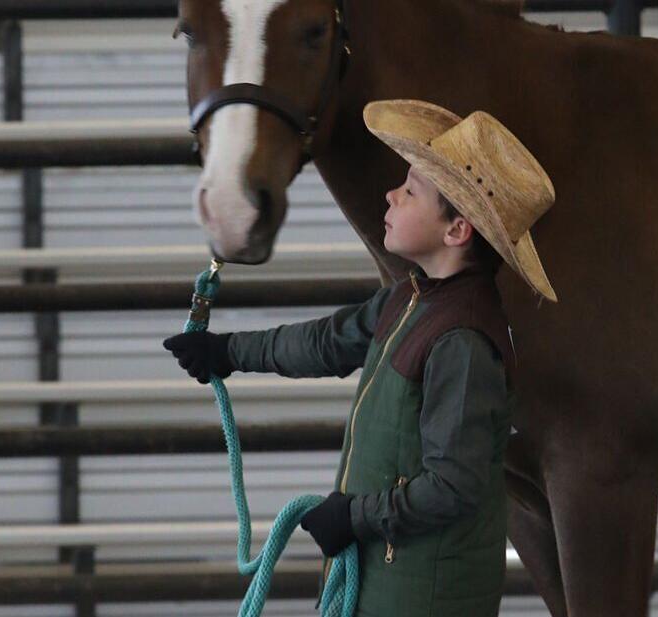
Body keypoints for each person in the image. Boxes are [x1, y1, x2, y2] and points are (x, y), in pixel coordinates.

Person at [163, 99, 557, 617]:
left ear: (456, 230)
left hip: (423, 596)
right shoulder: (411, 298)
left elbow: (452, 487)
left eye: (411, 191)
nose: (391, 195)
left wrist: (357, 517)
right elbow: (328, 342)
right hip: (390, 580)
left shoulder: (462, 342)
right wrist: (228, 352)